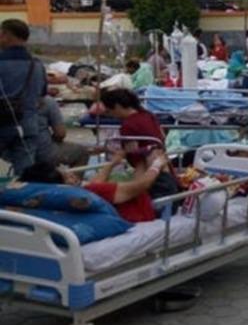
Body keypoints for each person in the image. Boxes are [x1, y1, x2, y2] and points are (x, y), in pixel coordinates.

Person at [19, 149, 168, 224]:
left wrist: (112, 164)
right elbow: (142, 185)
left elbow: (96, 184)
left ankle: (145, 162)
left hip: (132, 199)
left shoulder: (54, 197)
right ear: (61, 183)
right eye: (68, 175)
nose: (73, 175)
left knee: (142, 165)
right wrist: (157, 164)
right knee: (161, 172)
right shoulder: (89, 192)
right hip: (150, 209)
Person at [99, 88, 177, 201]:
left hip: (149, 173)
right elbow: (161, 137)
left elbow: (134, 154)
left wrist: (115, 156)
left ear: (117, 106)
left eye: (109, 111)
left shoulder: (128, 125)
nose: (111, 115)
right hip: (165, 167)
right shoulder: (148, 115)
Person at [0, 19, 46, 176]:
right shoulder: (37, 65)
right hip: (27, 126)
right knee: (26, 175)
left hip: (2, 124)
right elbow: (41, 100)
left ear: (5, 35)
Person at [34, 95, 89, 167]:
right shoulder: (46, 101)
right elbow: (60, 134)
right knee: (82, 152)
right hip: (42, 153)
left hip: (20, 153)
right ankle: (72, 175)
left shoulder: (18, 101)